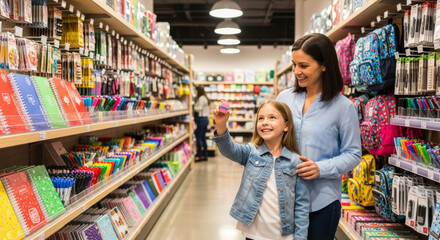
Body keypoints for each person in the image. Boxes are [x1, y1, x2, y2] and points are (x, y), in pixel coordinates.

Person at [277, 33, 362, 240]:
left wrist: (319, 168)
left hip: (322, 202)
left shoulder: (343, 107)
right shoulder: (284, 98)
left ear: (324, 65)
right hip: (283, 197)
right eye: (294, 64)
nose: (297, 71)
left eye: (304, 66)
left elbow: (353, 154)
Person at [212, 100, 309, 240]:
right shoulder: (251, 152)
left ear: (286, 126)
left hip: (285, 234)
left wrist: (300, 237)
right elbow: (229, 150)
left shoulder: (296, 161)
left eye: (272, 117)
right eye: (261, 118)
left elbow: (302, 204)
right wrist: (221, 125)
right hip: (254, 233)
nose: (265, 122)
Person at [194, 86, 210, 161]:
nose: (195, 92)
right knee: (203, 137)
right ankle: (205, 155)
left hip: (202, 119)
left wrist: (194, 106)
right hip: (206, 119)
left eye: (196, 90)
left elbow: (199, 108)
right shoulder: (205, 97)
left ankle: (199, 155)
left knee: (198, 137)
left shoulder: (201, 98)